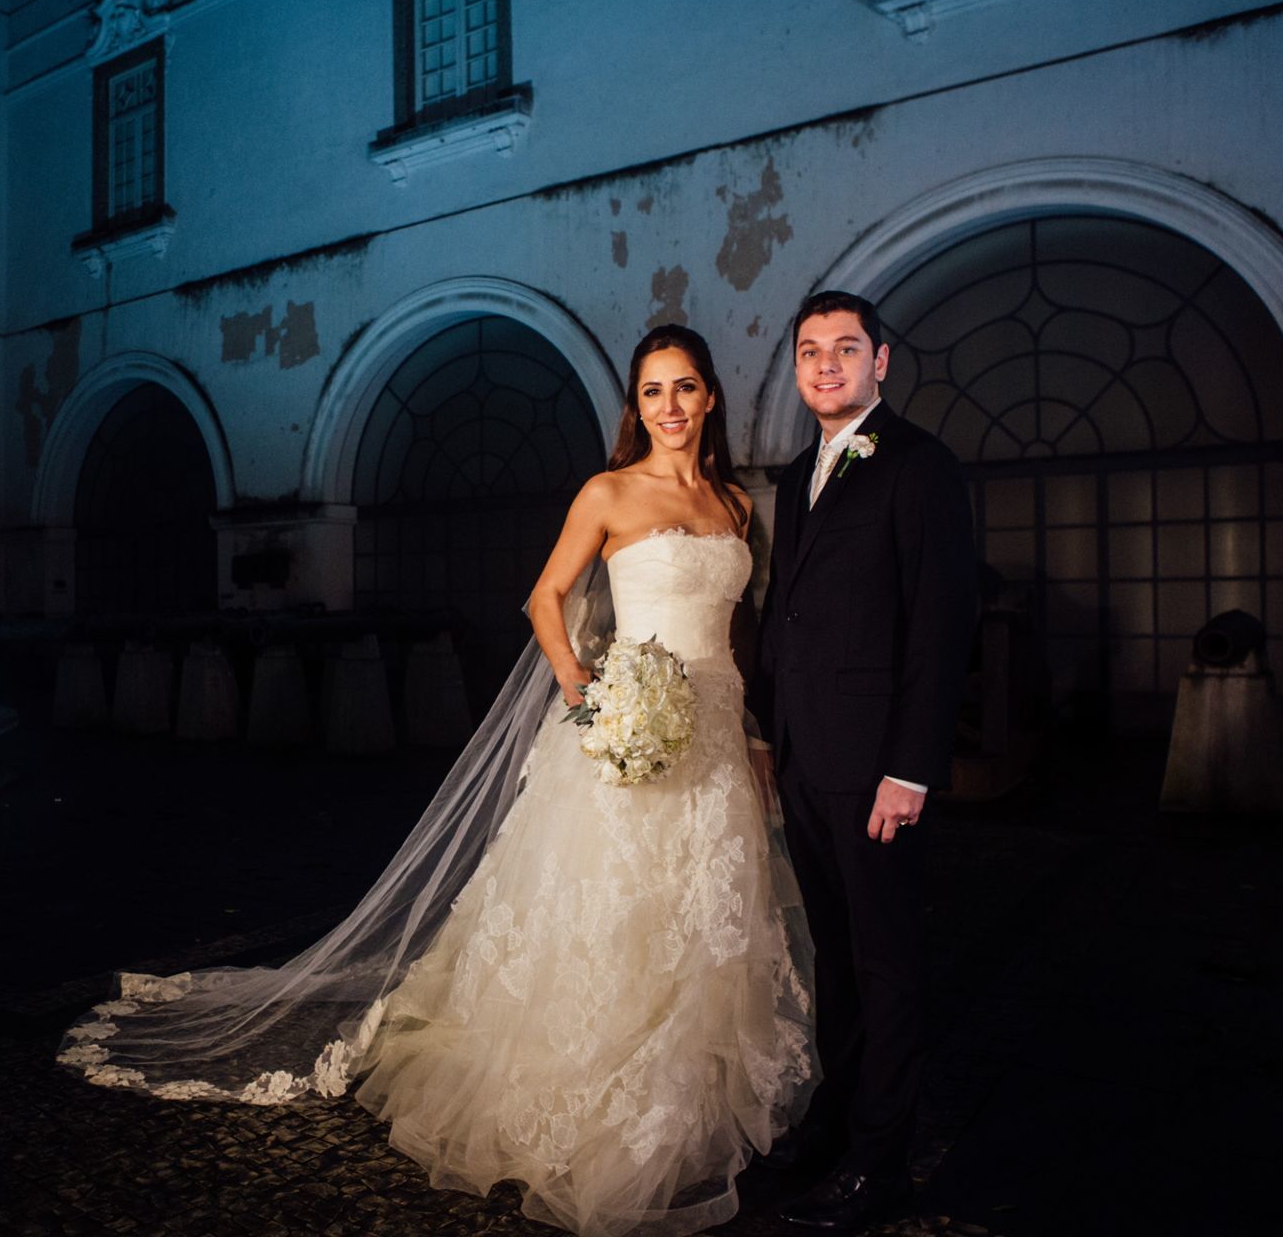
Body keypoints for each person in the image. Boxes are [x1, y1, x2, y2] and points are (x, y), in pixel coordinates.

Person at [58, 325, 815, 1237]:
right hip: (631, 730)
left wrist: (758, 735)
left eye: (685, 388)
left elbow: (739, 637)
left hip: (719, 738)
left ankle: (685, 1099)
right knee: (616, 913)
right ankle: (596, 1094)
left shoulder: (736, 505)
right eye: (653, 392)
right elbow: (544, 598)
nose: (671, 408)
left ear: (711, 398)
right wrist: (590, 690)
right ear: (636, 404)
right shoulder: (607, 491)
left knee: (712, 917)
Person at [746, 291, 976, 1230]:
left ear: (883, 361)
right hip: (805, 756)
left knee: (887, 966)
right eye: (810, 352)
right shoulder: (801, 469)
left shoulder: (921, 466)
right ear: (798, 370)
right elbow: (785, 612)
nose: (828, 365)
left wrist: (911, 767)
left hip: (878, 766)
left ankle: (881, 1165)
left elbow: (941, 623)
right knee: (832, 962)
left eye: (847, 349)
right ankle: (834, 1128)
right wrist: (768, 734)